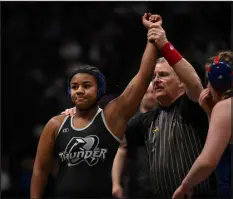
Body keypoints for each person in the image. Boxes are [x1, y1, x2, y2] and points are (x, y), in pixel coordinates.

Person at [30, 13, 161, 198]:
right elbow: (40, 170)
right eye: (74, 87)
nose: (80, 91)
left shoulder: (111, 118)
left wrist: (152, 35)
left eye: (87, 86)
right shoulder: (55, 124)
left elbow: (143, 76)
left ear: (100, 90)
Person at [123, 18, 217, 198]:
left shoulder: (194, 108)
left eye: (163, 75)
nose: (156, 80)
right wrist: (79, 114)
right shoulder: (147, 120)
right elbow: (113, 128)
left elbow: (195, 84)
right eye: (154, 76)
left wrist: (164, 44)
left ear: (181, 83)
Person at [172, 51, 233, 199]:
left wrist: (184, 186)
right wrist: (209, 113)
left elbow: (207, 161)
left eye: (208, 80)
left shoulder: (225, 106)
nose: (206, 86)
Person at [112, 82, 157, 199]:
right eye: (146, 93)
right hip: (136, 184)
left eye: (153, 92)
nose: (150, 96)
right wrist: (116, 183)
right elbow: (121, 150)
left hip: (161, 185)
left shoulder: (165, 117)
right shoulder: (130, 122)